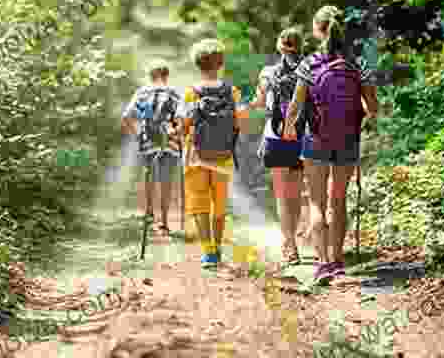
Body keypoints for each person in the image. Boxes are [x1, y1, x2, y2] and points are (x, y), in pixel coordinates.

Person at [283, 5, 378, 281]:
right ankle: (338, 261)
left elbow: (296, 105)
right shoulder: (356, 64)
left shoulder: (310, 63)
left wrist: (289, 127)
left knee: (316, 202)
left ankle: (322, 263)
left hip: (316, 139)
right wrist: (361, 119)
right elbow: (374, 107)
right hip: (347, 139)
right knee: (339, 200)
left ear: (317, 29)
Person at [174, 39, 249, 267]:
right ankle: (218, 247)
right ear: (221, 64)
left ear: (197, 65)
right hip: (223, 156)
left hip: (195, 156)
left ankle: (208, 252)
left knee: (199, 202)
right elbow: (241, 123)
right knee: (219, 203)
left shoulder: (190, 93)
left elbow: (182, 125)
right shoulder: (232, 92)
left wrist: (176, 132)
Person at [248, 27, 309, 267]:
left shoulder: (268, 72)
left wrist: (250, 104)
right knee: (295, 195)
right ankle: (292, 239)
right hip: (302, 137)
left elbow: (260, 102)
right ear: (301, 45)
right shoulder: (310, 69)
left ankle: (289, 244)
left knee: (282, 196)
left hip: (275, 137)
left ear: (279, 46)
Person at [121, 59, 182, 235]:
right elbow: (181, 119)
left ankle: (149, 215)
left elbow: (127, 117)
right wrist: (177, 135)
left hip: (148, 142)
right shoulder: (174, 93)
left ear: (151, 76)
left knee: (149, 178)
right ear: (166, 75)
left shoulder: (142, 92)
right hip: (169, 143)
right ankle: (164, 222)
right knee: (166, 181)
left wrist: (138, 134)